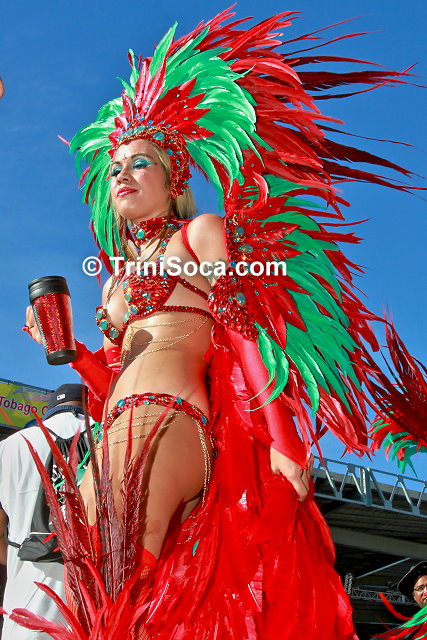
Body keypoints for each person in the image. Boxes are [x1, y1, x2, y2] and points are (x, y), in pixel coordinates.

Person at [21, 9, 421, 640]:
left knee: (120, 583)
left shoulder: (200, 233)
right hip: (115, 426)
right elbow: (109, 377)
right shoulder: (113, 277)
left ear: (175, 175)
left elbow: (242, 329)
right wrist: (68, 349)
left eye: (140, 163)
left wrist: (283, 437)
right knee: (100, 593)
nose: (122, 175)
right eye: (116, 167)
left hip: (171, 416)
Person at [0, 383, 88, 639]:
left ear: (50, 409)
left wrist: (19, 555)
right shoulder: (108, 436)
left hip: (25, 603)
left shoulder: (10, 445)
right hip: (96, 608)